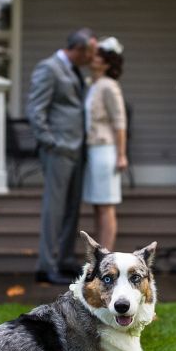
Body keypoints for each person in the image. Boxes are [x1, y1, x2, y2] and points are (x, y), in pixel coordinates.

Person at [28, 28, 97, 284]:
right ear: (78, 50)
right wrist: (50, 142)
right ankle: (45, 266)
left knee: (72, 208)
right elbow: (36, 110)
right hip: (58, 149)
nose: (92, 58)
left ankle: (65, 258)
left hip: (77, 149)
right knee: (54, 209)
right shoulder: (49, 68)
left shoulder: (75, 70)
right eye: (90, 53)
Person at [82, 37, 128, 251]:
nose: (95, 58)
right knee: (97, 205)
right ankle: (99, 252)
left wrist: (121, 154)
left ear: (108, 63)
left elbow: (119, 121)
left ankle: (106, 256)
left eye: (100, 56)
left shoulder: (109, 86)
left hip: (105, 150)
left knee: (106, 205)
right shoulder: (94, 84)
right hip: (92, 150)